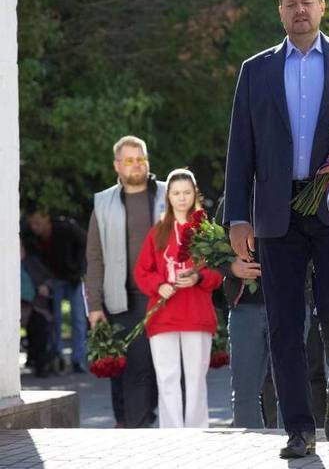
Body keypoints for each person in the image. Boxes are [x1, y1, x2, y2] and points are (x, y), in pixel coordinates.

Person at [223, 0, 329, 458]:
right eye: (291, 3)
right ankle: (298, 426)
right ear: (280, 12)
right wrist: (237, 216)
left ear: (322, 8)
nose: (299, 10)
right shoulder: (256, 70)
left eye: (307, 2)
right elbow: (241, 148)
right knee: (284, 321)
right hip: (276, 212)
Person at [85, 135, 165, 428]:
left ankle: (138, 427)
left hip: (162, 296)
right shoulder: (103, 203)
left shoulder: (167, 195)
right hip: (119, 298)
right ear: (117, 166)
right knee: (126, 370)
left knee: (146, 369)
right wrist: (94, 306)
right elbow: (94, 257)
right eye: (129, 160)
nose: (136, 165)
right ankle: (130, 426)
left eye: (140, 159)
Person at [134, 169, 222, 428]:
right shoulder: (158, 231)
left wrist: (199, 278)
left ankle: (197, 434)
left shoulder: (207, 232)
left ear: (194, 193)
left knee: (196, 379)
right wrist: (157, 285)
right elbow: (142, 271)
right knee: (167, 378)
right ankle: (172, 435)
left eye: (186, 192)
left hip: (196, 315)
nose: (181, 198)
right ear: (168, 196)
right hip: (163, 316)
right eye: (176, 193)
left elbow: (219, 272)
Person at [214, 197, 267, 428]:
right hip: (244, 306)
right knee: (244, 392)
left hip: (290, 305)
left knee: (290, 388)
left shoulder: (295, 190)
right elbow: (213, 250)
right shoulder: (230, 202)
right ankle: (252, 453)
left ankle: (292, 444)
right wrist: (232, 268)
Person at [25, 207, 87, 374]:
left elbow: (85, 244)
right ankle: (56, 355)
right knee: (55, 318)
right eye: (32, 224)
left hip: (73, 277)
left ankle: (78, 359)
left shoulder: (65, 228)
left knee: (78, 319)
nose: (34, 227)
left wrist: (78, 271)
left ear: (46, 219)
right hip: (54, 278)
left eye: (37, 223)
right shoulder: (33, 239)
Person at [20, 243, 54, 377]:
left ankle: (40, 364)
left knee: (40, 326)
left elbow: (48, 278)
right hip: (14, 305)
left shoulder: (31, 263)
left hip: (34, 304)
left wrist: (45, 286)